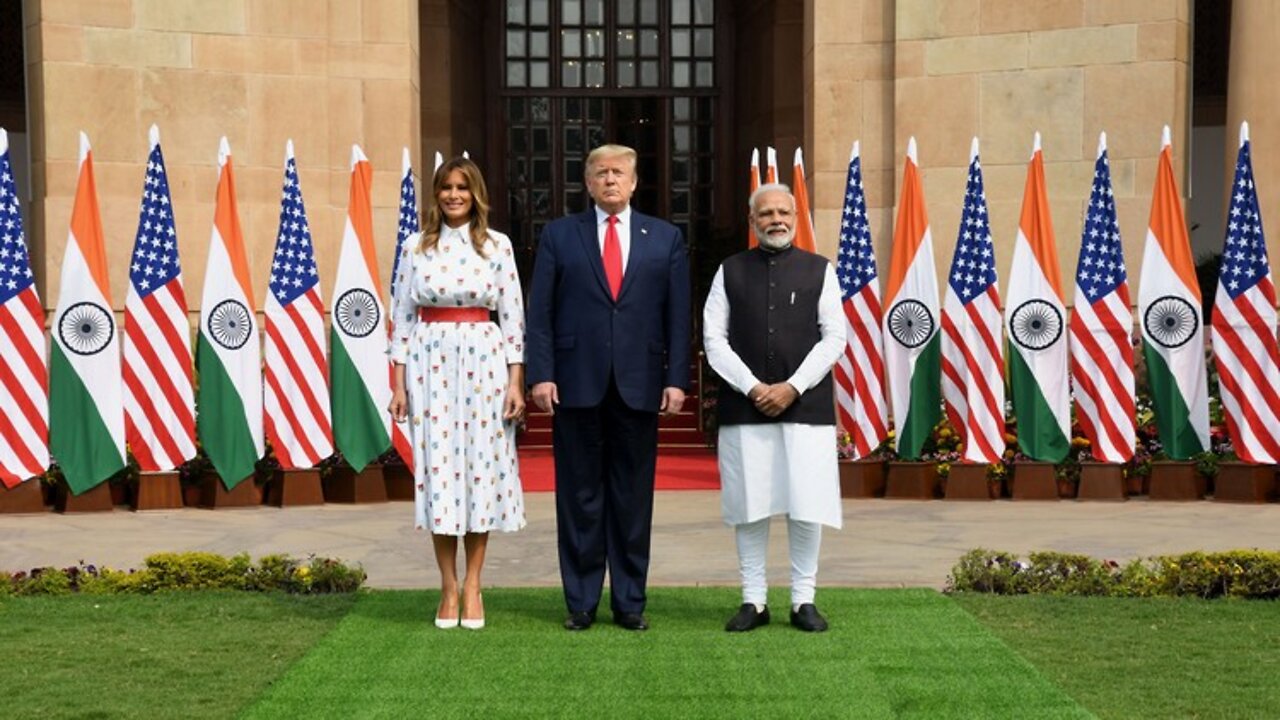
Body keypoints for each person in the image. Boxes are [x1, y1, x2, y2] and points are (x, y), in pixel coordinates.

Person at [526, 144, 691, 632]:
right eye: (601, 173)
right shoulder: (560, 235)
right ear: (588, 182)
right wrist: (541, 372)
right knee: (578, 496)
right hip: (575, 384)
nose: (611, 180)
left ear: (635, 182)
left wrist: (676, 379)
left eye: (619, 172)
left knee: (632, 497)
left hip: (639, 386)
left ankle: (629, 602)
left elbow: (678, 315)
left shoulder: (665, 238)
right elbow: (542, 313)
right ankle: (580, 601)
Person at [389, 157, 526, 631]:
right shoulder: (415, 246)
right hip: (430, 363)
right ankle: (447, 586)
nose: (453, 195)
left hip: (485, 362)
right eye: (446, 187)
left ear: (475, 194)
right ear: (436, 193)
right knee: (441, 471)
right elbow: (402, 317)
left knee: (480, 471)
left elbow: (512, 317)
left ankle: (474, 584)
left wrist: (515, 380)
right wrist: (398, 385)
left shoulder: (497, 246)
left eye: (462, 188)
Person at [702, 183, 846, 633]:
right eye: (766, 214)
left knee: (807, 503)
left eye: (784, 212)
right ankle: (753, 600)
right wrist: (752, 387)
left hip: (806, 406)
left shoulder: (820, 270)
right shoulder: (729, 270)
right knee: (751, 504)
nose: (776, 220)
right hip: (746, 407)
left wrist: (792, 386)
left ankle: (804, 600)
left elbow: (834, 338)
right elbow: (713, 340)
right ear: (753, 221)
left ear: (796, 218)